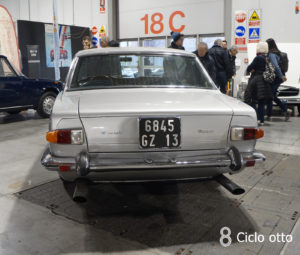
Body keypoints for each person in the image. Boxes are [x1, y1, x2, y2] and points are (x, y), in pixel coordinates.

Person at [244, 42, 273, 126]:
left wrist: (252, 69)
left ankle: (256, 118)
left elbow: (250, 67)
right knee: (261, 101)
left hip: (256, 80)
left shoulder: (258, 58)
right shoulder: (267, 57)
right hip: (265, 81)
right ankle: (262, 120)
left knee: (250, 98)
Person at [265, 38, 289, 121]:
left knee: (270, 96)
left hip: (276, 77)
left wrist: (281, 75)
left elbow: (275, 66)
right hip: (278, 77)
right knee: (272, 95)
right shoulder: (277, 53)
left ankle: (269, 114)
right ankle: (284, 109)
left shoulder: (271, 54)